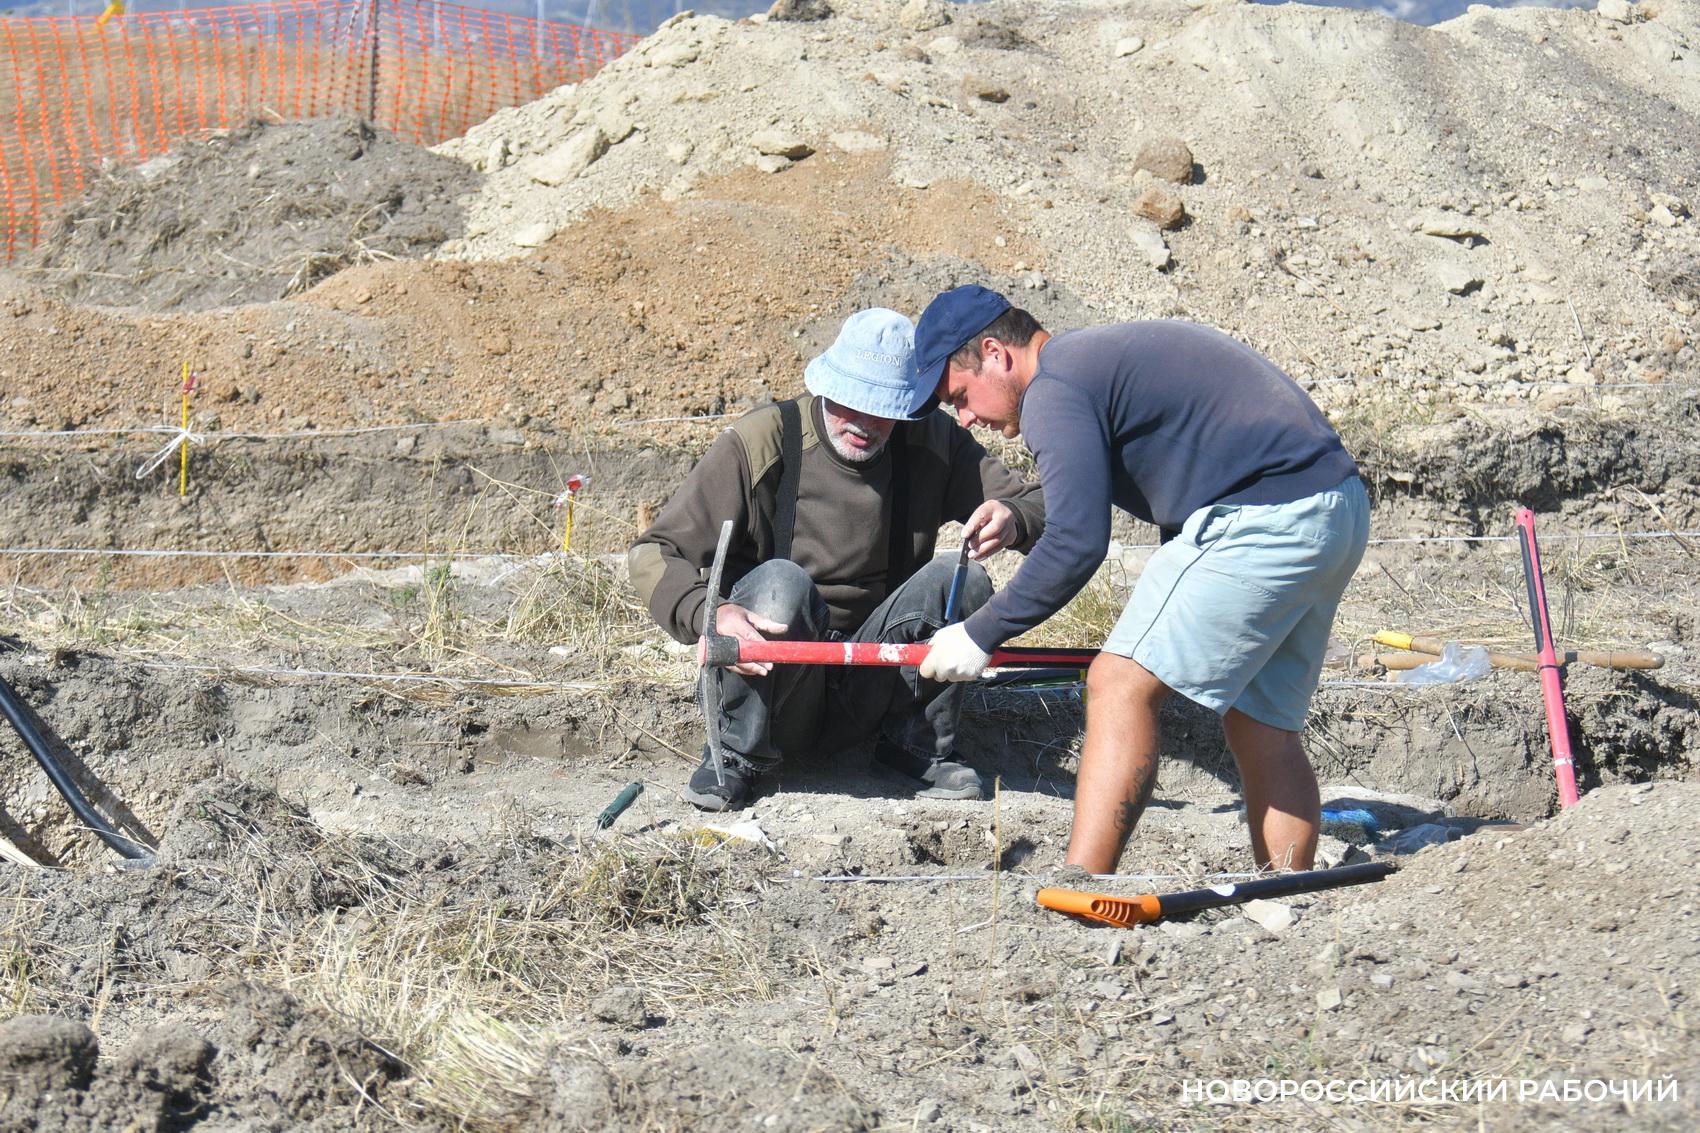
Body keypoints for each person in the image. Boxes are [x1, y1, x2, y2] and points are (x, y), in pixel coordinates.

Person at [911, 286, 1368, 872]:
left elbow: (1078, 542)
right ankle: (1286, 884)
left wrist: (980, 633)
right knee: (1261, 723)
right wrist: (1018, 514)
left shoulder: (1053, 389)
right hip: (1334, 508)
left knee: (1118, 683)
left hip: (1263, 517)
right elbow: (1082, 493)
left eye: (960, 398)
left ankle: (1083, 883)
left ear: (996, 353)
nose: (969, 418)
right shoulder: (1087, 364)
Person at [629, 307, 1046, 811]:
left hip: (878, 677)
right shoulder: (764, 440)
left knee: (961, 578)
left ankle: (914, 746)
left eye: (884, 410)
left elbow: (1042, 503)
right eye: (852, 404)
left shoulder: (931, 439)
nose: (866, 424)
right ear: (826, 386)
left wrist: (1012, 516)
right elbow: (655, 551)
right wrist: (709, 613)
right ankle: (737, 754)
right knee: (781, 585)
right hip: (779, 681)